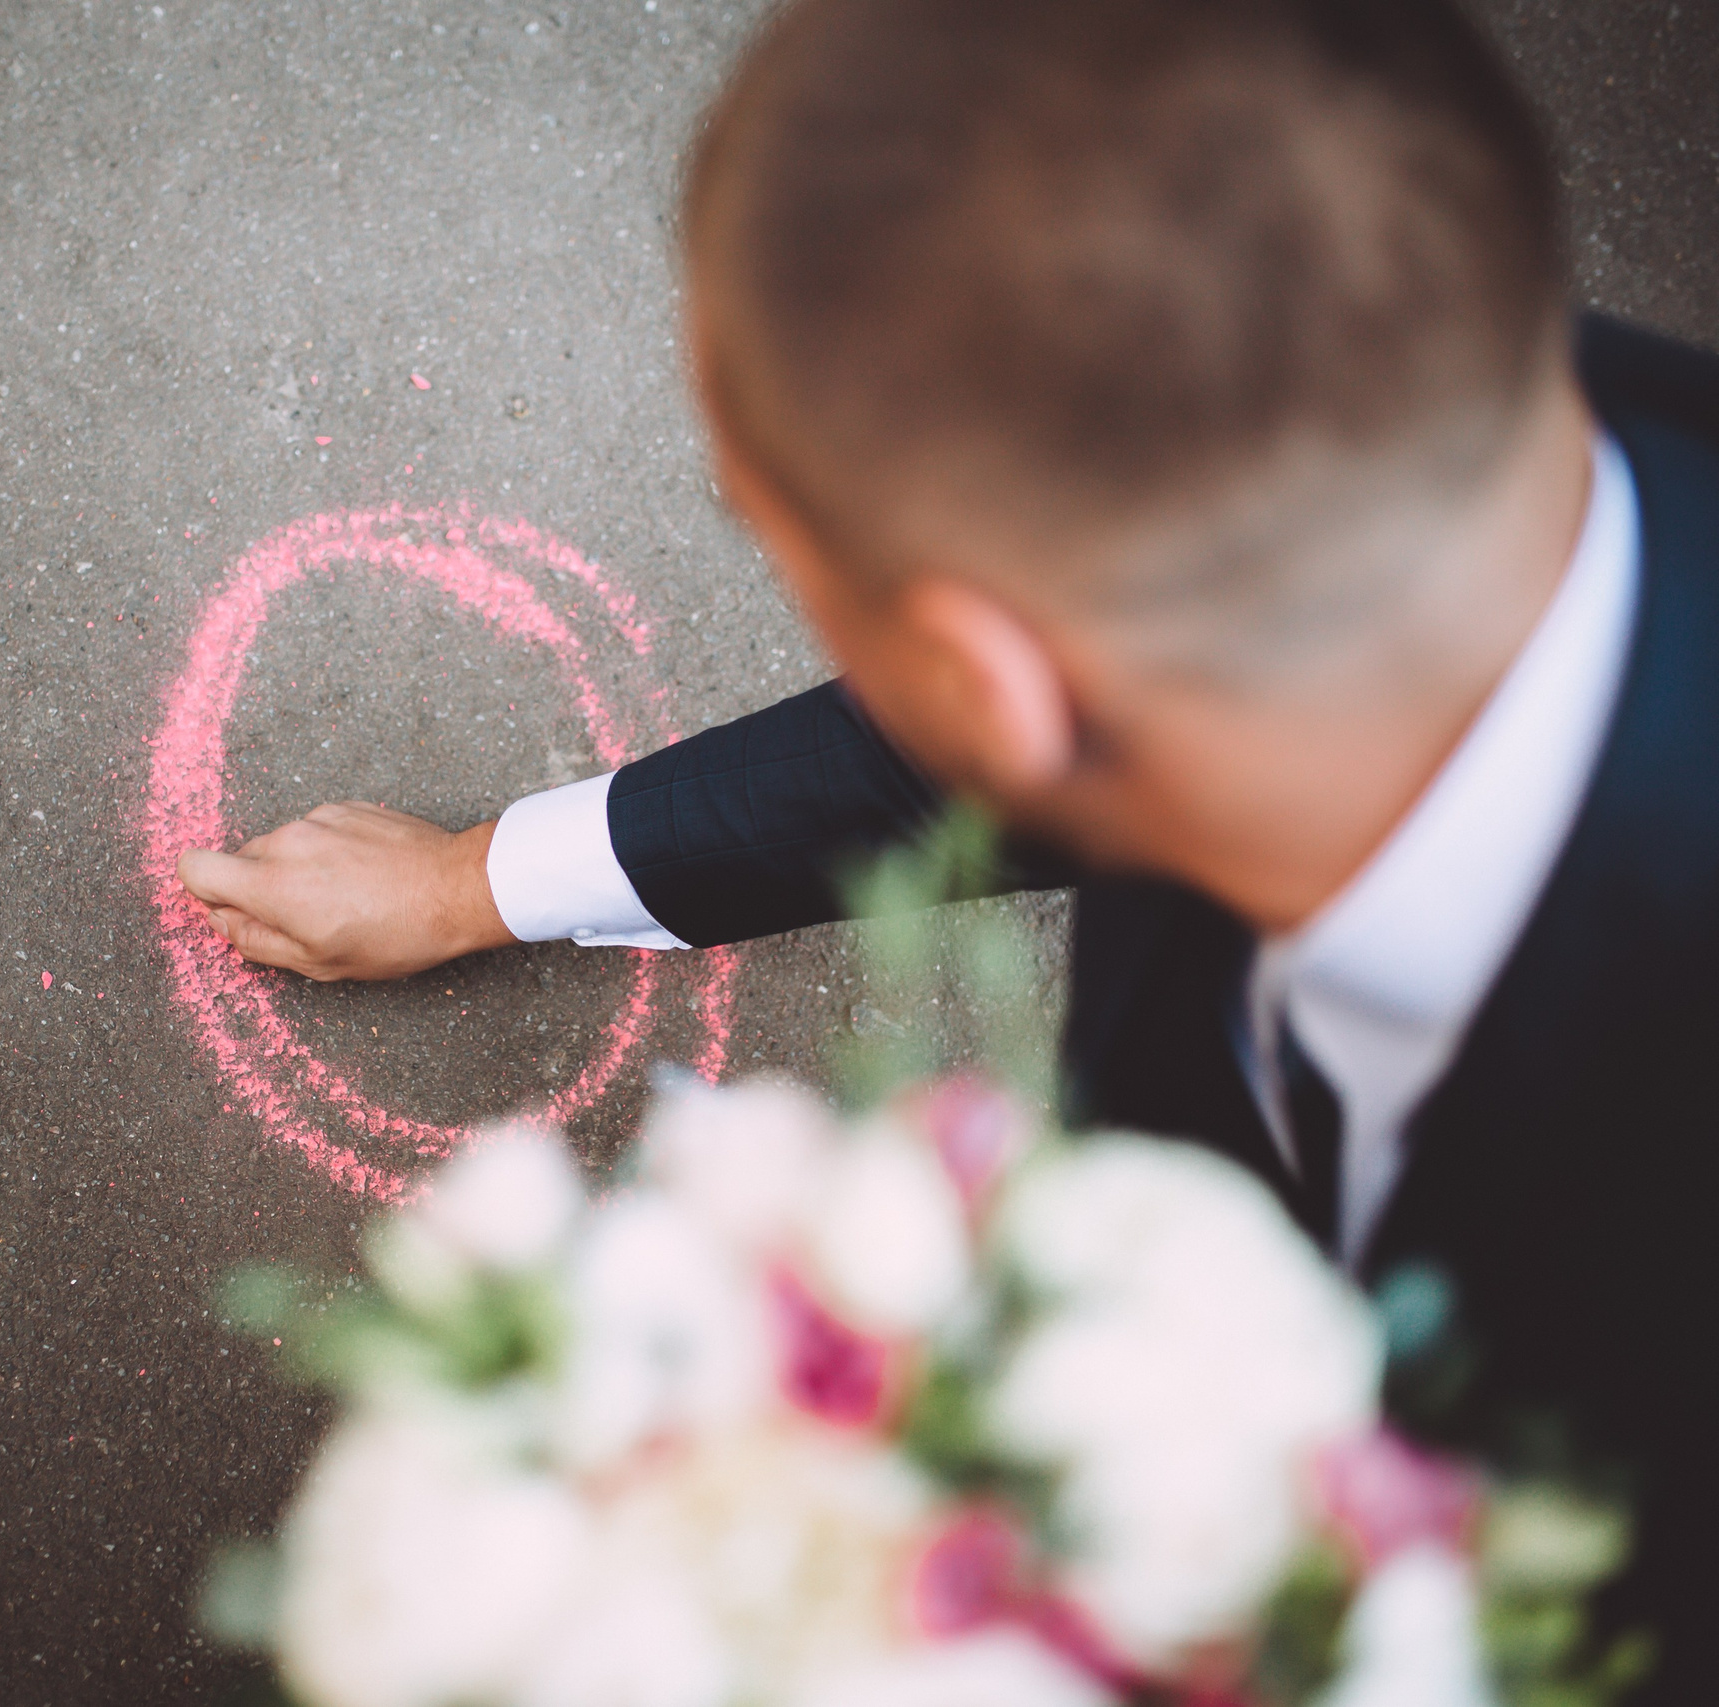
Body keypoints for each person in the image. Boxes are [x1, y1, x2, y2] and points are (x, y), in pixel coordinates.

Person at [179, 0, 1718, 1690]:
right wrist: (484, 878)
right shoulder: (1402, 415)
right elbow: (947, 757)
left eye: (780, 542)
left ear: (987, 685)